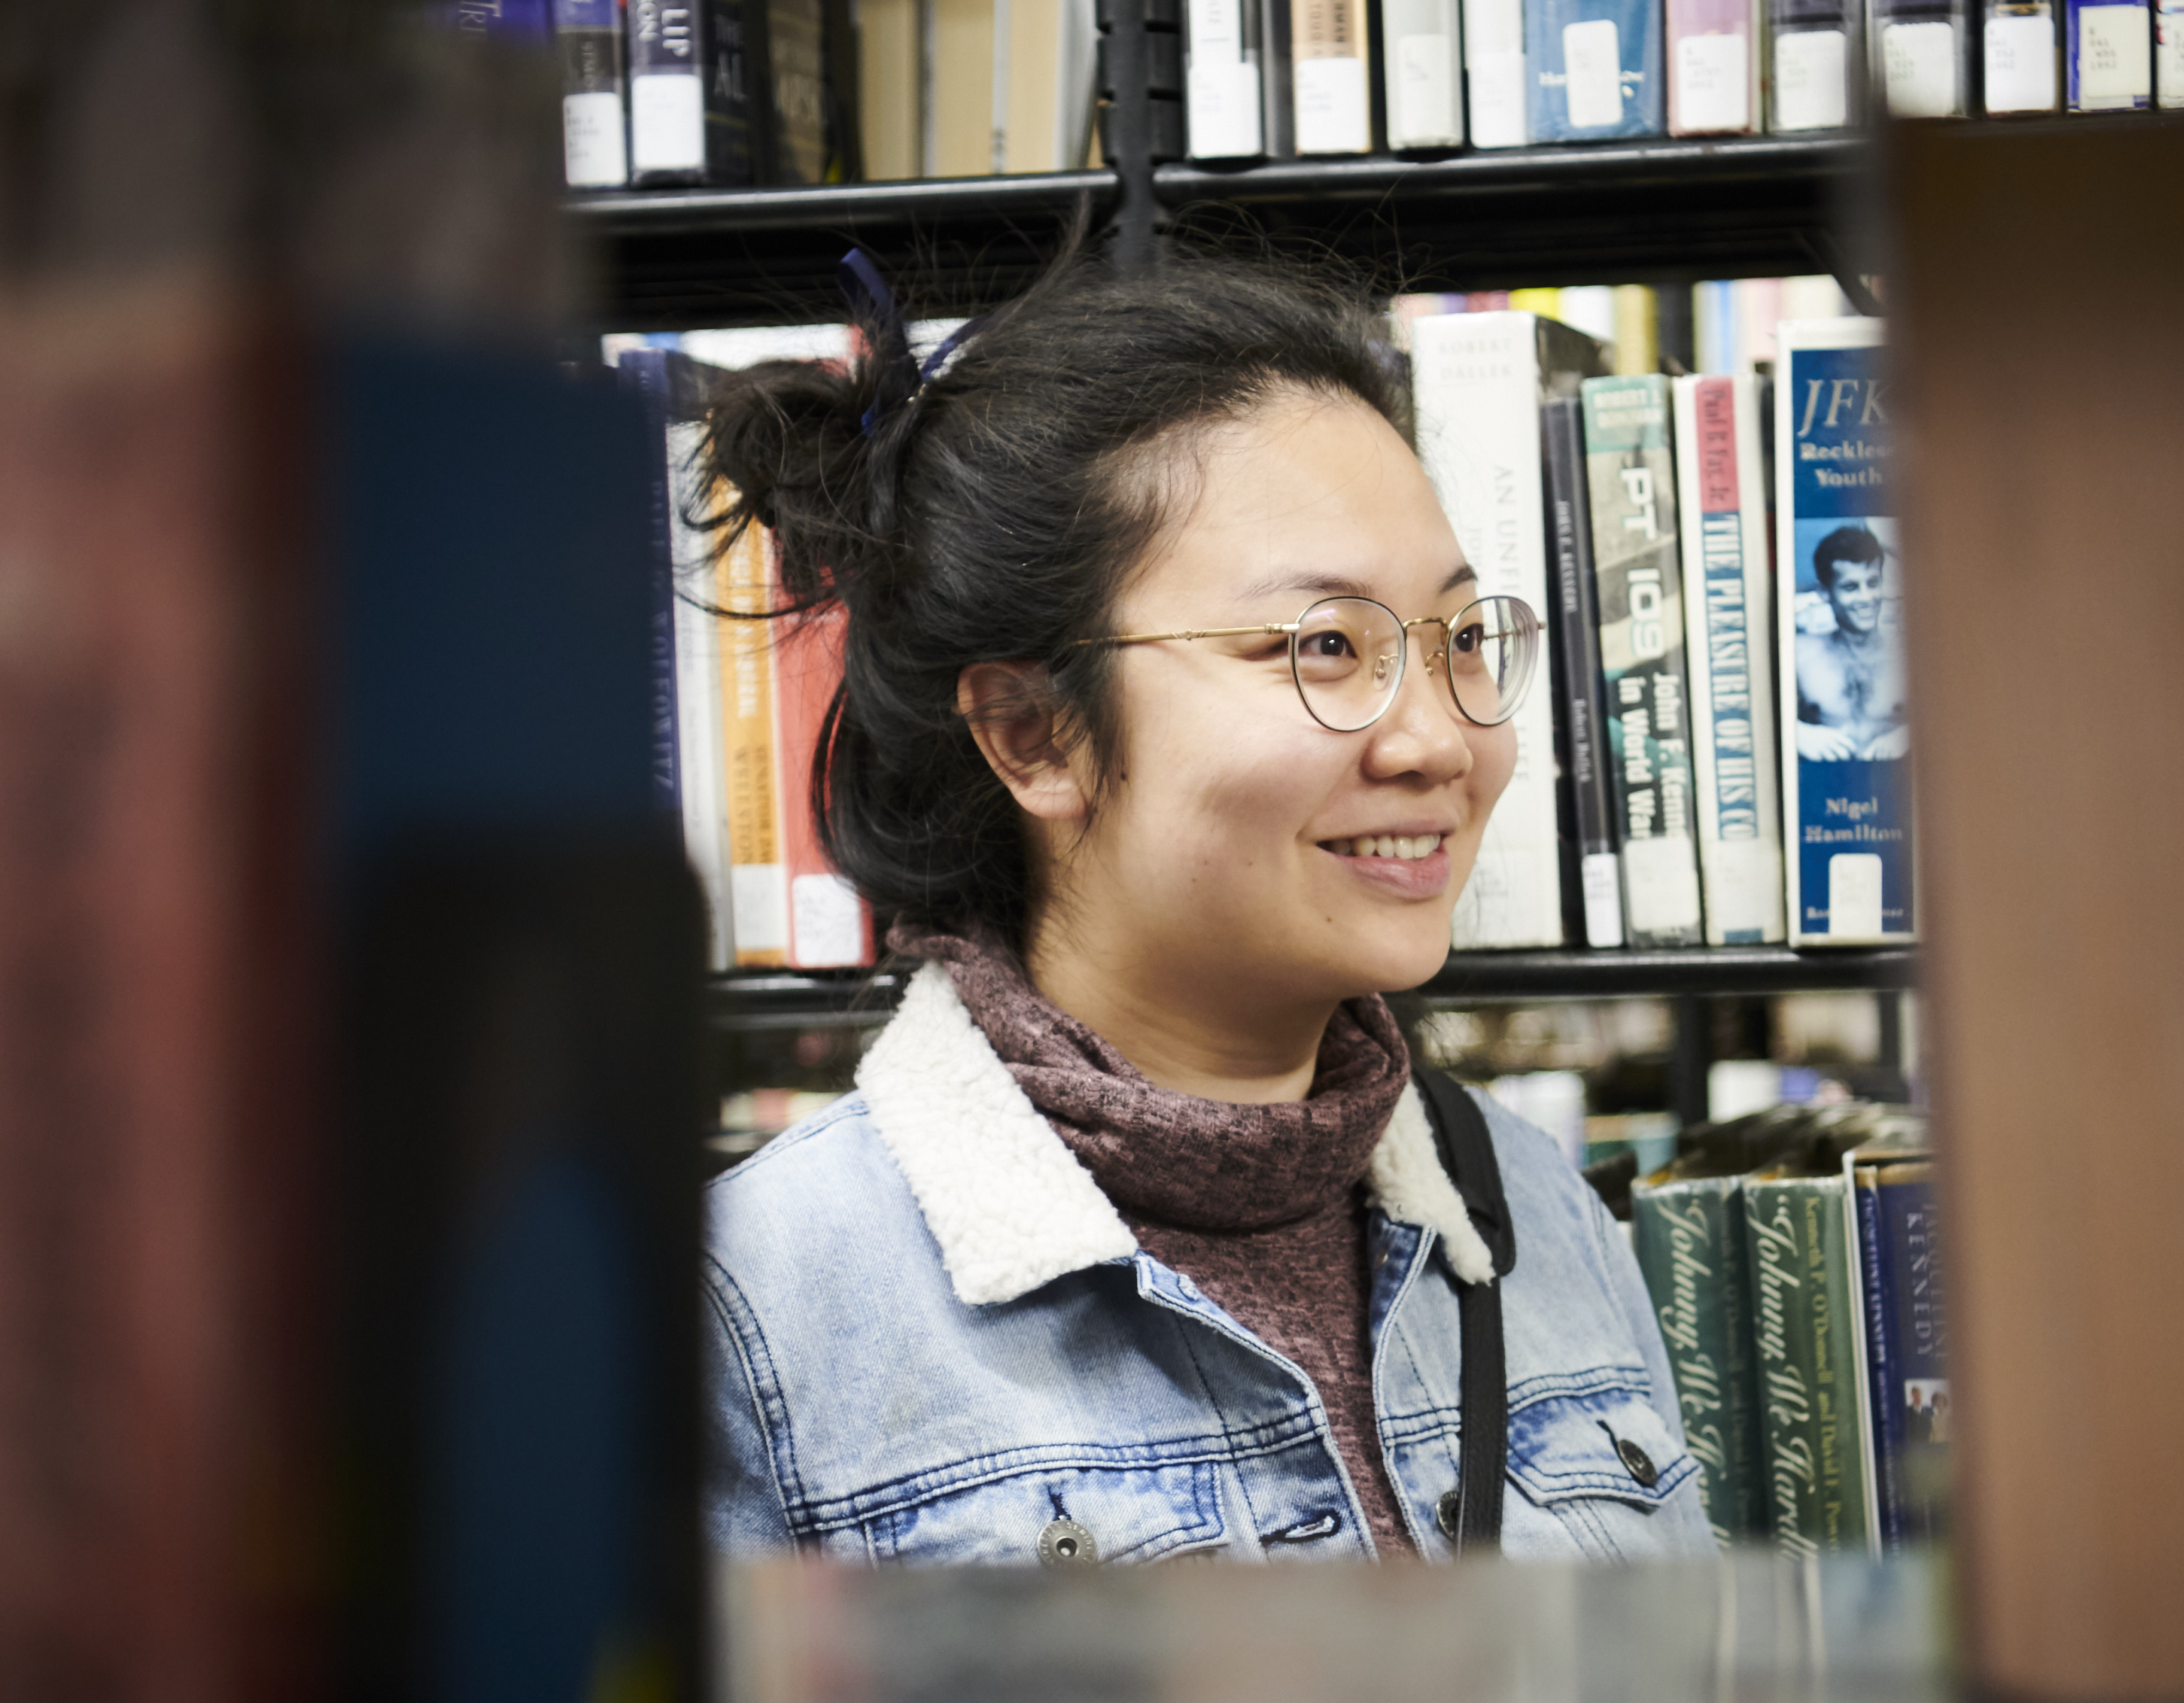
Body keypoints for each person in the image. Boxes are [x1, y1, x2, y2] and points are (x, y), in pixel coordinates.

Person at [695, 251, 1714, 1565]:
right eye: (1324, 647)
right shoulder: (761, 1307)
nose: (1437, 741)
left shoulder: (1531, 1212)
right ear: (1032, 734)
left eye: (1461, 639)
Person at [1788, 523, 1902, 762]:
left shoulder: (1911, 653)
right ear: (1824, 593)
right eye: (1851, 587)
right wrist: (1797, 733)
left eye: (1873, 583)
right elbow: (1756, 712)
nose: (1866, 598)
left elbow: (1962, 713)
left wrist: (1909, 735)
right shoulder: (1800, 654)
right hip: (1825, 785)